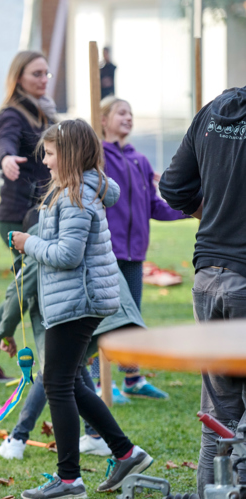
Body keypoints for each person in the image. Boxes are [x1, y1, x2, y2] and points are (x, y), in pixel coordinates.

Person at [11, 119, 152, 499]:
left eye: (52, 154)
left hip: (78, 302)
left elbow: (68, 255)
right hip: (76, 300)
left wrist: (29, 243)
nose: (46, 161)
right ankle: (127, 453)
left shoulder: (76, 197)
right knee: (69, 380)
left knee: (57, 383)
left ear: (70, 156)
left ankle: (69, 479)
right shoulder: (73, 192)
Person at [0, 224, 147, 461]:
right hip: (113, 310)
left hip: (88, 313)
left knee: (54, 374)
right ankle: (101, 440)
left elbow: (18, 293)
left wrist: (5, 333)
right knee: (71, 372)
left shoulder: (41, 240)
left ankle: (19, 438)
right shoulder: (66, 227)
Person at [159, 85, 246, 496]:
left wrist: (207, 212)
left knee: (219, 413)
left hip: (208, 276)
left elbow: (173, 186)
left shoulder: (213, 110)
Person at [0, 50, 56, 384]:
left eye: (46, 73)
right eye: (36, 74)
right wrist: (5, 158)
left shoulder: (45, 115)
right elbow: (6, 141)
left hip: (42, 213)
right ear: (18, 78)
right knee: (25, 289)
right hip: (19, 216)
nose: (44, 79)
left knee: (25, 287)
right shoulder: (12, 114)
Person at [92, 95, 185, 400]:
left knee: (131, 315)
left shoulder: (140, 161)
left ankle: (132, 377)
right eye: (121, 113)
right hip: (106, 253)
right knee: (103, 316)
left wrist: (193, 208)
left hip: (134, 255)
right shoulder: (97, 159)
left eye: (131, 114)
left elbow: (154, 207)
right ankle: (99, 381)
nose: (128, 118)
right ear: (103, 120)